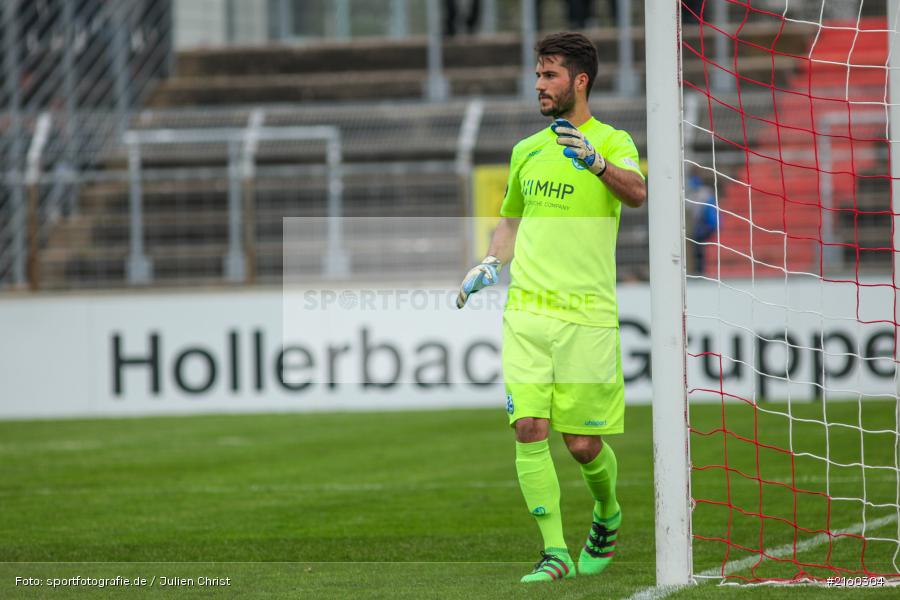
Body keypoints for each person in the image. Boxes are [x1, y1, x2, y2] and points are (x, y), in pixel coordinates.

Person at [456, 31, 646, 583]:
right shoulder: (527, 151)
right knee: (528, 427)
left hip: (587, 314)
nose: (539, 84)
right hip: (528, 313)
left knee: (584, 444)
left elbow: (636, 192)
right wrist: (490, 262)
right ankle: (554, 552)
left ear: (579, 81)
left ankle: (607, 512)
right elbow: (511, 220)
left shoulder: (613, 139)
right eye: (538, 74)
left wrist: (595, 163)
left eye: (549, 75)